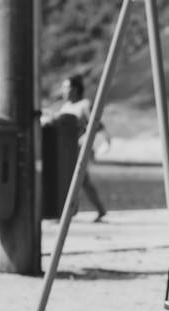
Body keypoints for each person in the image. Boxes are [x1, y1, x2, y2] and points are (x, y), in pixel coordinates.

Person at [54, 73, 108, 222]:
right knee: (77, 181)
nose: (64, 91)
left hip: (78, 150)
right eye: (63, 88)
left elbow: (97, 124)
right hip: (65, 150)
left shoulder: (84, 104)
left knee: (78, 180)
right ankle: (75, 211)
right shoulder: (65, 106)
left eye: (67, 87)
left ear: (76, 89)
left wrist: (88, 141)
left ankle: (70, 212)